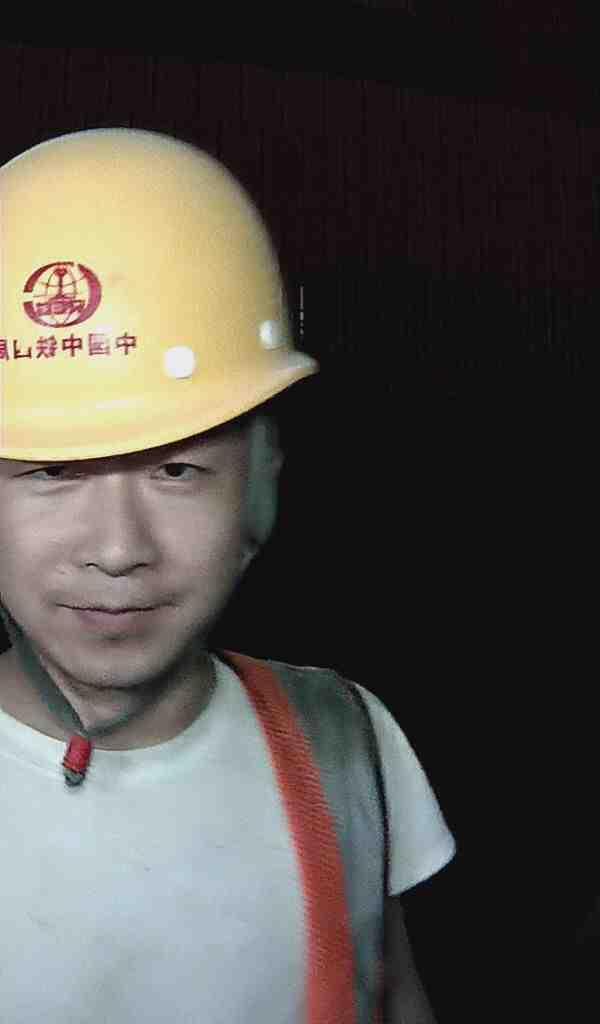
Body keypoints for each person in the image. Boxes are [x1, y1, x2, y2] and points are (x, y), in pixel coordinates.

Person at [0, 127, 456, 1023]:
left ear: (262, 483)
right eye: (51, 471)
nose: (118, 548)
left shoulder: (346, 748)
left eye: (177, 469)